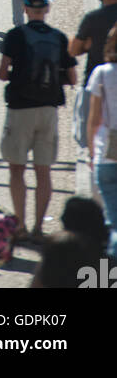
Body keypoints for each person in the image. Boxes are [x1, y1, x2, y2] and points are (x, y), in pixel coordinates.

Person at [0, 0, 77, 245]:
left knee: (16, 169)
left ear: (25, 9)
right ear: (46, 9)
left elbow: (1, 72)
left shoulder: (15, 36)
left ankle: (19, 226)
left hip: (20, 108)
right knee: (43, 171)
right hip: (48, 110)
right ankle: (37, 229)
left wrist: (17, 78)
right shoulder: (58, 37)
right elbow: (73, 77)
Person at [69, 0, 117, 150]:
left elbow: (73, 49)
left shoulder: (93, 18)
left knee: (92, 145)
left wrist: (88, 44)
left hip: (94, 85)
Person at [86, 24, 117, 260]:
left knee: (112, 219)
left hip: (108, 148)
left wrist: (90, 151)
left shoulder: (102, 73)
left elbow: (94, 118)